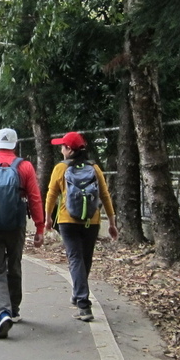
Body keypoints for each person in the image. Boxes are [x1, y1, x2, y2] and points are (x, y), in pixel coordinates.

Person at [0, 128, 45, 338]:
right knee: (14, 265)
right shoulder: (25, 166)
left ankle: (1, 312)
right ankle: (13, 309)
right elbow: (35, 198)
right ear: (15, 144)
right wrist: (39, 227)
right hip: (16, 224)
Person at [44, 131, 118, 322]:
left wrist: (47, 219)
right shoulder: (94, 168)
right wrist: (111, 222)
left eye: (62, 146)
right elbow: (105, 195)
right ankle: (79, 295)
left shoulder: (60, 168)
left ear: (69, 149)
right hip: (91, 221)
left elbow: (51, 195)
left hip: (68, 221)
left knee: (75, 259)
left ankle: (83, 304)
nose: (61, 149)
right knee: (85, 259)